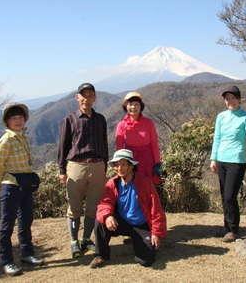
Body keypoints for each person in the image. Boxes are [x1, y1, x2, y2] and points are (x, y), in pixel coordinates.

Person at [89, 149, 167, 268]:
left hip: (141, 225)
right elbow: (104, 203)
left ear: (131, 166)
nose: (120, 168)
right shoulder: (112, 183)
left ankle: (140, 241)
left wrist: (156, 233)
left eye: (124, 164)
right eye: (117, 165)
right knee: (100, 221)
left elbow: (156, 209)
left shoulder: (144, 183)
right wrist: (108, 216)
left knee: (146, 260)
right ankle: (101, 255)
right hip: (122, 223)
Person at [57, 83, 108, 258]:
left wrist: (105, 164)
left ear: (94, 98)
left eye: (90, 95)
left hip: (97, 165)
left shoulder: (100, 119)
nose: (87, 98)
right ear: (77, 97)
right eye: (83, 95)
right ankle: (74, 241)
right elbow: (62, 147)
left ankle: (86, 239)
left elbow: (104, 143)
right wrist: (62, 170)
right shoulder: (69, 120)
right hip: (76, 166)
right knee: (74, 206)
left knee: (93, 207)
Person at [0, 103, 43, 276]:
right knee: (7, 225)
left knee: (25, 221)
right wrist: (11, 181)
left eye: (20, 117)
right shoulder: (6, 140)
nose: (18, 120)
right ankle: (7, 261)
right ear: (7, 121)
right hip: (11, 187)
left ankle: (27, 254)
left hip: (25, 185)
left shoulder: (22, 137)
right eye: (14, 118)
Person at [210, 86, 246, 243]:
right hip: (221, 159)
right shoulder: (221, 117)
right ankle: (227, 228)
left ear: (239, 99)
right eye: (227, 98)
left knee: (229, 196)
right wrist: (213, 159)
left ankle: (233, 230)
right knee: (224, 196)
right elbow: (217, 138)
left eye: (233, 98)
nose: (230, 101)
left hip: (237, 160)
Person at [115, 92, 162, 185]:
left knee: (148, 187)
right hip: (131, 161)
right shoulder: (122, 125)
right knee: (133, 187)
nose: (133, 107)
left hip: (148, 161)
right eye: (130, 104)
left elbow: (154, 144)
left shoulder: (149, 123)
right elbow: (119, 147)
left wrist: (157, 163)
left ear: (141, 106)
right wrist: (121, 165)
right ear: (126, 107)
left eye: (136, 104)